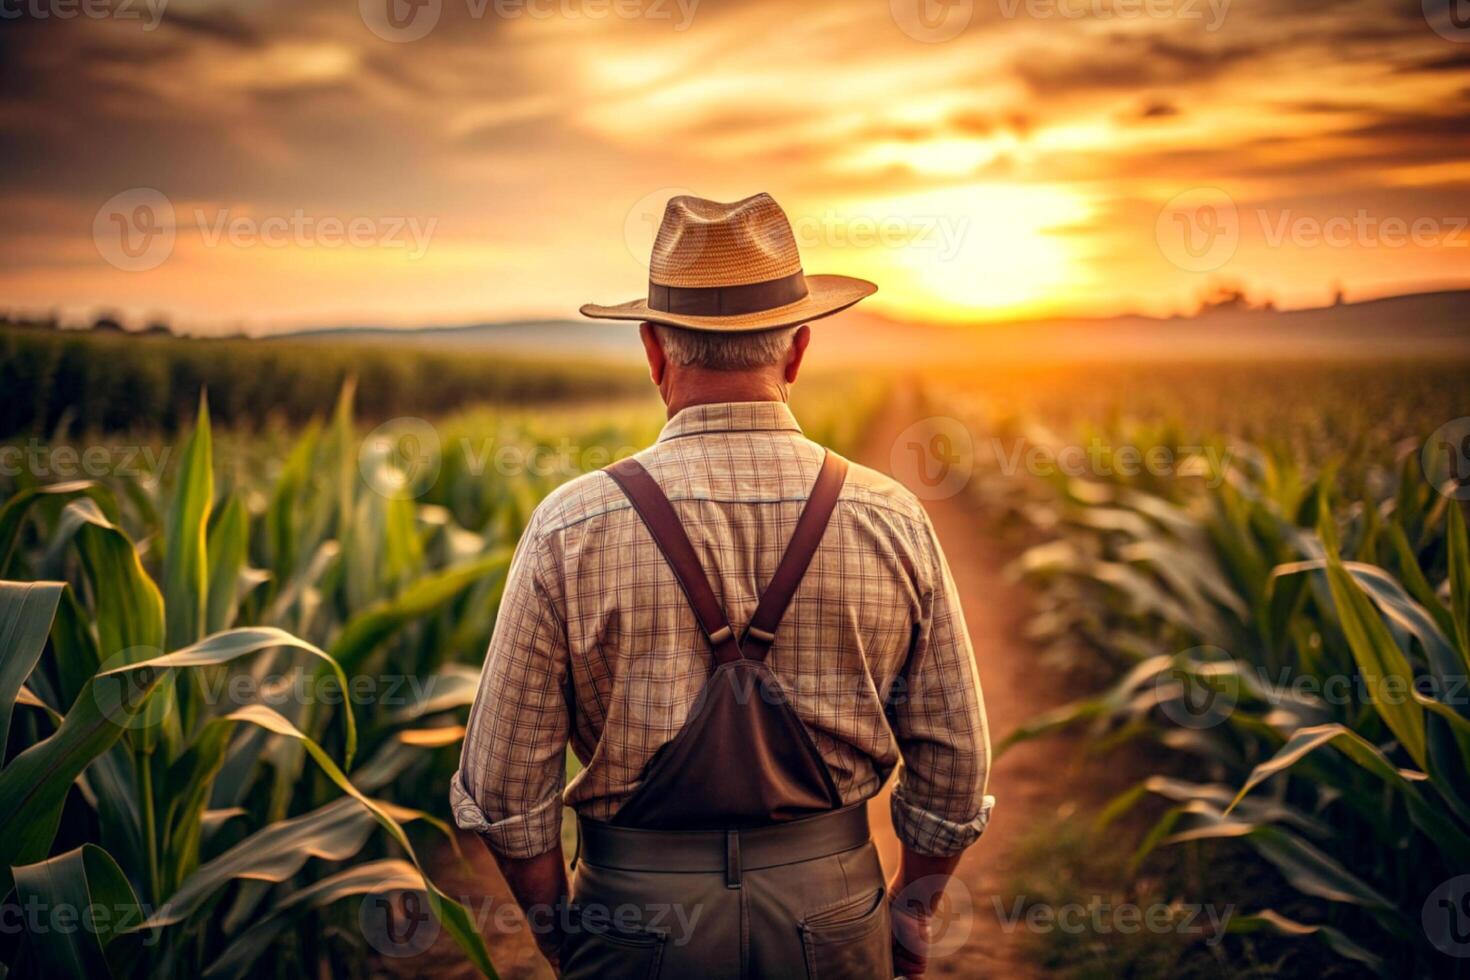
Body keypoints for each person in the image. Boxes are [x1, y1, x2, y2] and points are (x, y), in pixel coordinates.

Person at [452, 192, 992, 978]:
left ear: (654, 351)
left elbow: (503, 792)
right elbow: (956, 771)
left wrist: (562, 936)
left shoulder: (568, 526)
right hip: (833, 910)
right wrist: (907, 916)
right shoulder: (892, 518)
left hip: (633, 917)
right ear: (798, 351)